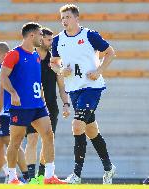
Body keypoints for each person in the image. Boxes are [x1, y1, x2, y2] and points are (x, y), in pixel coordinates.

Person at [50, 4, 116, 184]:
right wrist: (61, 70)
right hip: (74, 89)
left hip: (92, 87)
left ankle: (76, 175)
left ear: (76, 18)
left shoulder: (89, 35)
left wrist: (99, 70)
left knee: (77, 125)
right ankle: (109, 168)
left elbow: (110, 53)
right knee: (91, 130)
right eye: (62, 18)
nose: (64, 21)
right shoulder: (58, 40)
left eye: (68, 17)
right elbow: (53, 63)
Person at [0, 22, 66, 185]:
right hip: (21, 106)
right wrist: (13, 93)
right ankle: (12, 177)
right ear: (31, 36)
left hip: (38, 105)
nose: (42, 38)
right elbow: (3, 77)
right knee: (15, 141)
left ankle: (49, 176)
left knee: (48, 135)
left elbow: (36, 82)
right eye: (40, 35)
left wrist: (42, 98)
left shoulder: (36, 56)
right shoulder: (14, 54)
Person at [25, 27, 68, 184]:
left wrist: (66, 104)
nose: (52, 43)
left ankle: (43, 175)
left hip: (51, 107)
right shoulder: (29, 58)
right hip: (32, 106)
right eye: (49, 40)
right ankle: (31, 177)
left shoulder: (55, 61)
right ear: (40, 39)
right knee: (32, 139)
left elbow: (62, 86)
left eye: (52, 40)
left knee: (48, 140)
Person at [0, 42, 28, 183]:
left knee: (12, 144)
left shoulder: (4, 70)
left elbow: (2, 94)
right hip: (3, 112)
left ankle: (25, 177)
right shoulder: (3, 69)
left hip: (6, 112)